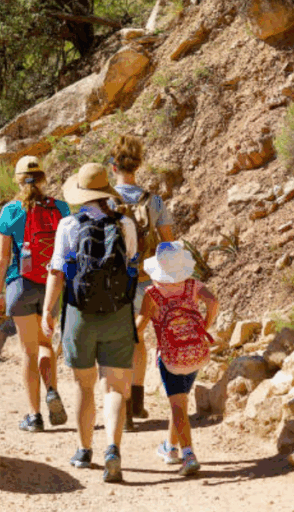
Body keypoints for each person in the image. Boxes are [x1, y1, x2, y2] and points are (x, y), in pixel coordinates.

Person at [41, 163, 138, 483]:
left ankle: (84, 450)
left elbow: (57, 272)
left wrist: (47, 313)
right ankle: (113, 447)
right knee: (114, 386)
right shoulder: (125, 223)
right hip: (118, 313)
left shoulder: (68, 224)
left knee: (84, 385)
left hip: (79, 314)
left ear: (81, 194)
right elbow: (131, 264)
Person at [0, 155, 69, 432]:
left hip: (20, 284)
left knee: (28, 351)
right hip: (52, 285)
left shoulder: (11, 211)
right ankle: (51, 389)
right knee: (45, 345)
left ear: (17, 179)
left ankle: (34, 416)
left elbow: (2, 258)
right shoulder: (61, 208)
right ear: (43, 178)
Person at [135, 241, 219, 477]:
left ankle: (189, 454)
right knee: (180, 401)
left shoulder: (152, 294)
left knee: (178, 404)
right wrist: (204, 325)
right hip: (196, 351)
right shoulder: (192, 285)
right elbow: (213, 302)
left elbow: (139, 328)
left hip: (171, 356)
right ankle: (170, 448)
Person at [109, 135, 175, 430]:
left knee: (118, 341)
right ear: (138, 165)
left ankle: (122, 409)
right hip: (147, 281)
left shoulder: (106, 201)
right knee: (139, 340)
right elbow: (168, 245)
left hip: (114, 281)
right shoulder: (155, 201)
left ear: (113, 166)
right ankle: (137, 403)